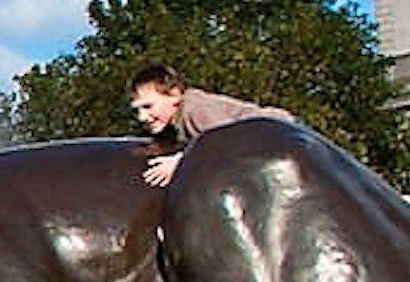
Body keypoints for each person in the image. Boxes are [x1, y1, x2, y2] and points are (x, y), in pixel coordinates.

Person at [126, 63, 295, 188]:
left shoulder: (196, 109)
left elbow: (222, 140)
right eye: (137, 110)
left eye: (148, 107)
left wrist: (181, 161)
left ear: (175, 95)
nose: (142, 117)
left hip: (277, 129)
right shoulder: (175, 124)